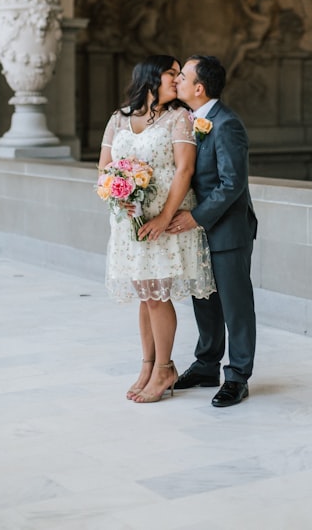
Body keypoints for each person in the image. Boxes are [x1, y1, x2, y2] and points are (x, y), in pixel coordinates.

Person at [99, 54, 216, 404]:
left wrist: (165, 217)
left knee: (158, 295)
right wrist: (118, 196)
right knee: (145, 294)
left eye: (181, 75)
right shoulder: (118, 119)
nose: (177, 80)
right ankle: (148, 365)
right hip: (130, 223)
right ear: (151, 77)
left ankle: (165, 368)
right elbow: (104, 169)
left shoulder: (179, 118)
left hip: (164, 222)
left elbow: (184, 171)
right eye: (172, 73)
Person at [167, 55, 257, 407]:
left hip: (227, 230)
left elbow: (232, 183)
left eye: (183, 77)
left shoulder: (226, 124)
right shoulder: (187, 121)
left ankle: (237, 377)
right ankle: (206, 365)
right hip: (198, 233)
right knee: (203, 301)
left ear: (199, 88)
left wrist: (196, 217)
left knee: (235, 306)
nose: (177, 82)